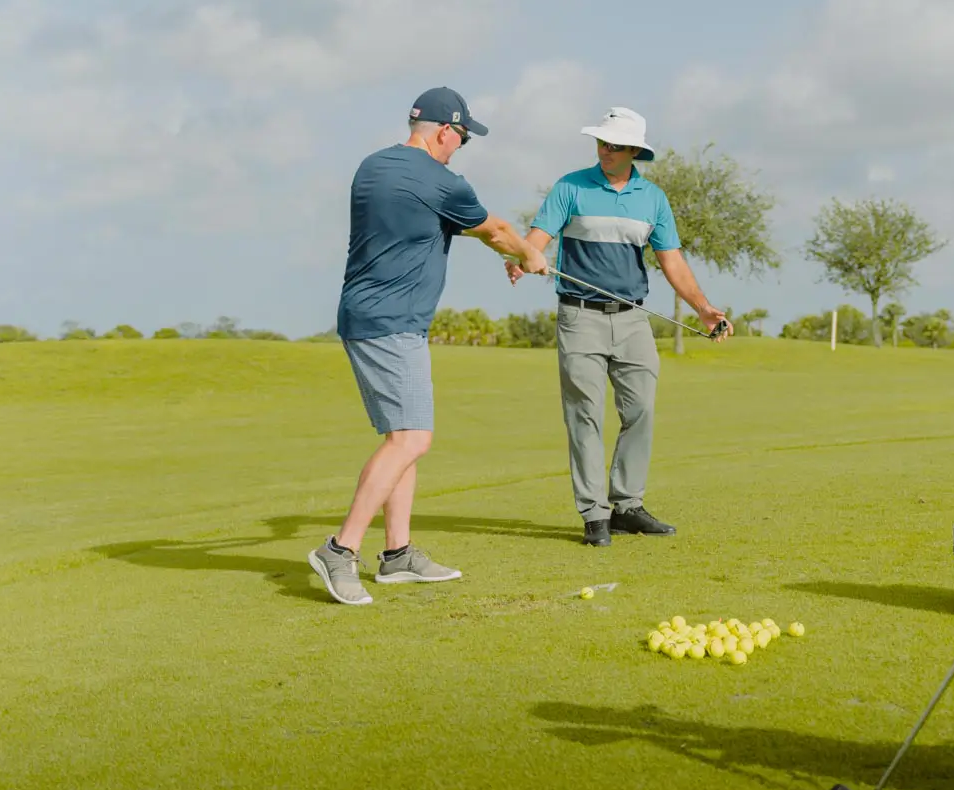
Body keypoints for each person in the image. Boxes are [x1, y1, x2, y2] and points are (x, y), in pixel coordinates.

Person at [310, 86, 548, 605]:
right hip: (391, 323)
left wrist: (512, 247)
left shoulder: (373, 167)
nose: (459, 148)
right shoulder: (442, 181)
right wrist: (531, 256)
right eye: (461, 139)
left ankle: (397, 556)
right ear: (444, 132)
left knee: (403, 438)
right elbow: (498, 230)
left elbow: (433, 224)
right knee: (412, 440)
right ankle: (339, 549)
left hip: (371, 317)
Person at [505, 107, 730, 547]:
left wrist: (704, 308)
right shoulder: (570, 186)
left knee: (641, 410)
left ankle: (627, 505)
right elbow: (538, 238)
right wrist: (523, 258)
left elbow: (672, 262)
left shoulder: (653, 199)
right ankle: (595, 515)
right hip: (579, 317)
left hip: (633, 320)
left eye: (614, 145)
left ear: (634, 151)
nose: (605, 150)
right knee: (584, 415)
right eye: (601, 142)